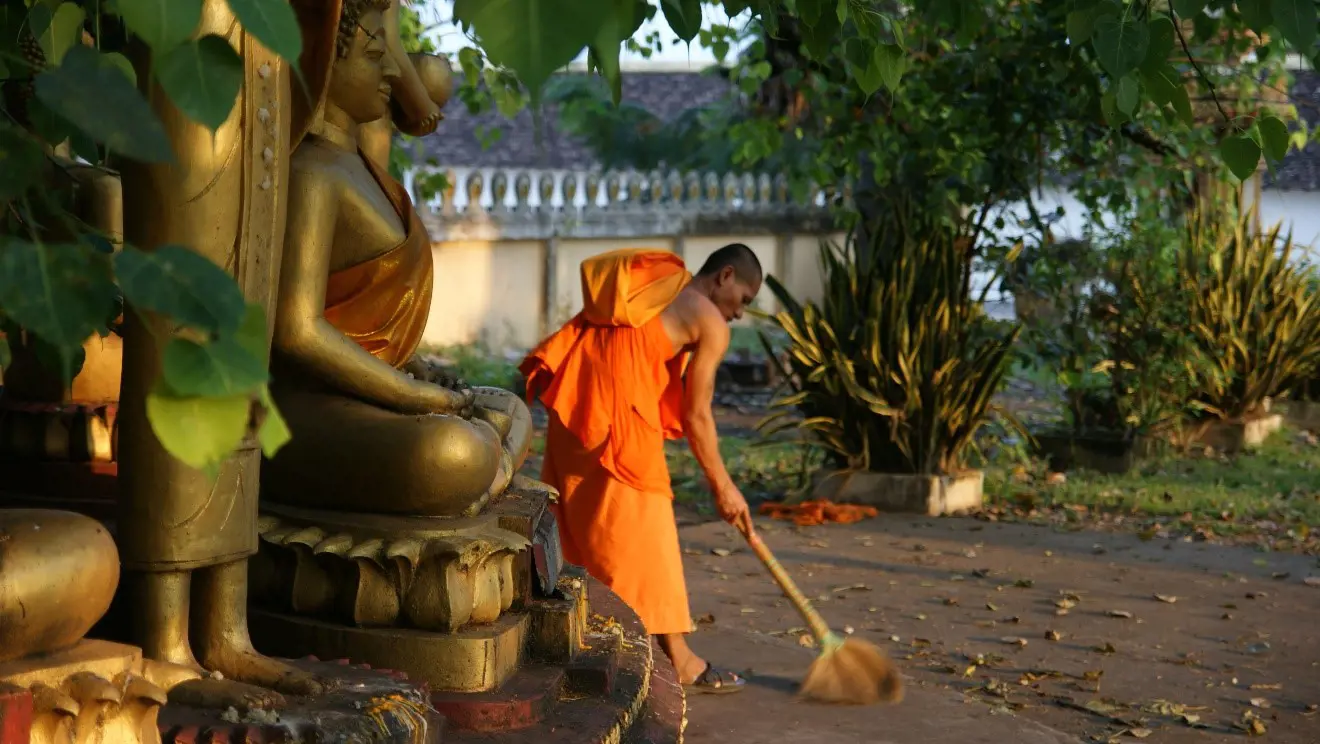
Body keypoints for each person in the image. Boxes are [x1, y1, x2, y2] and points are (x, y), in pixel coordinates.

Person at [521, 244, 763, 694]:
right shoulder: (708, 320)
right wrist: (724, 486)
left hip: (576, 400)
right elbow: (698, 416)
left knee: (586, 526)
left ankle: (580, 634)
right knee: (646, 534)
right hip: (615, 415)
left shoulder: (657, 288)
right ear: (725, 276)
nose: (740, 314)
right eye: (745, 300)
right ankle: (681, 658)